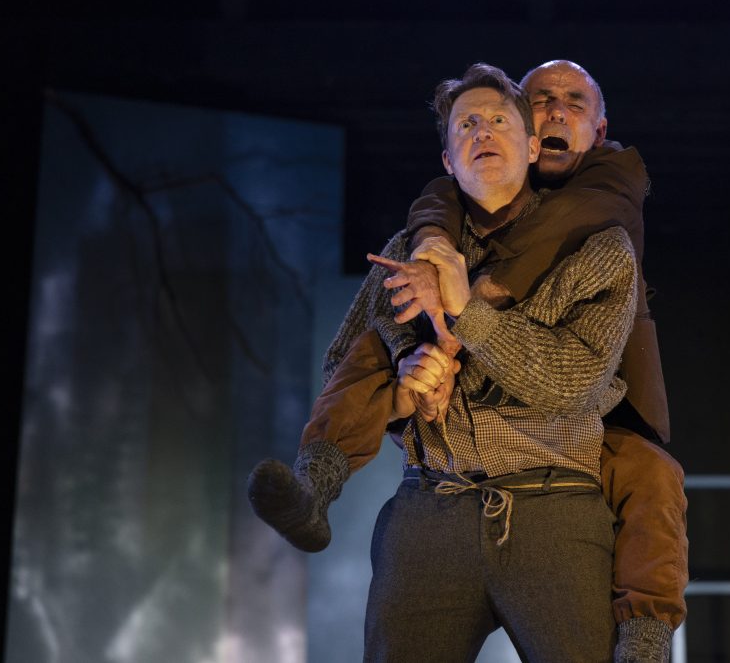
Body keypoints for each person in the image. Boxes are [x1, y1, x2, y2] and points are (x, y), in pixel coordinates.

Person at [247, 62, 683, 661]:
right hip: (430, 505)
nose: (485, 131)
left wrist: (466, 312)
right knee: (375, 343)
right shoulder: (419, 240)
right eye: (468, 125)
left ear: (532, 144)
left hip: (554, 500)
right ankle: (315, 482)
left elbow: (573, 381)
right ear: (448, 161)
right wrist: (406, 382)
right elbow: (343, 366)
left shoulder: (602, 230)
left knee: (652, 480)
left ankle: (646, 638)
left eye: (500, 120)